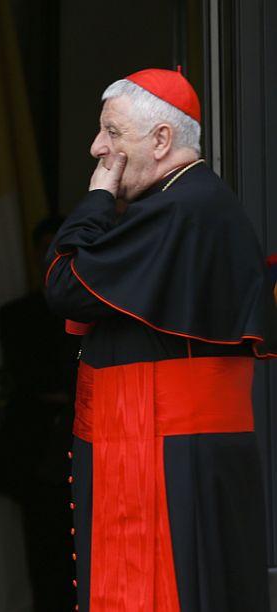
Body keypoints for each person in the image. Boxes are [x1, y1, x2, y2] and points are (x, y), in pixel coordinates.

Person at [45, 67, 277, 611]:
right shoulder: (192, 201)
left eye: (112, 133)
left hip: (166, 458)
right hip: (177, 452)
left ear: (162, 139)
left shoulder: (180, 207)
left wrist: (96, 200)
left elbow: (64, 283)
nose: (98, 147)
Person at [0, 217, 79, 612]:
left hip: (83, 449)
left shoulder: (89, 308)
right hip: (35, 456)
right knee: (43, 566)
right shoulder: (17, 314)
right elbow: (32, 377)